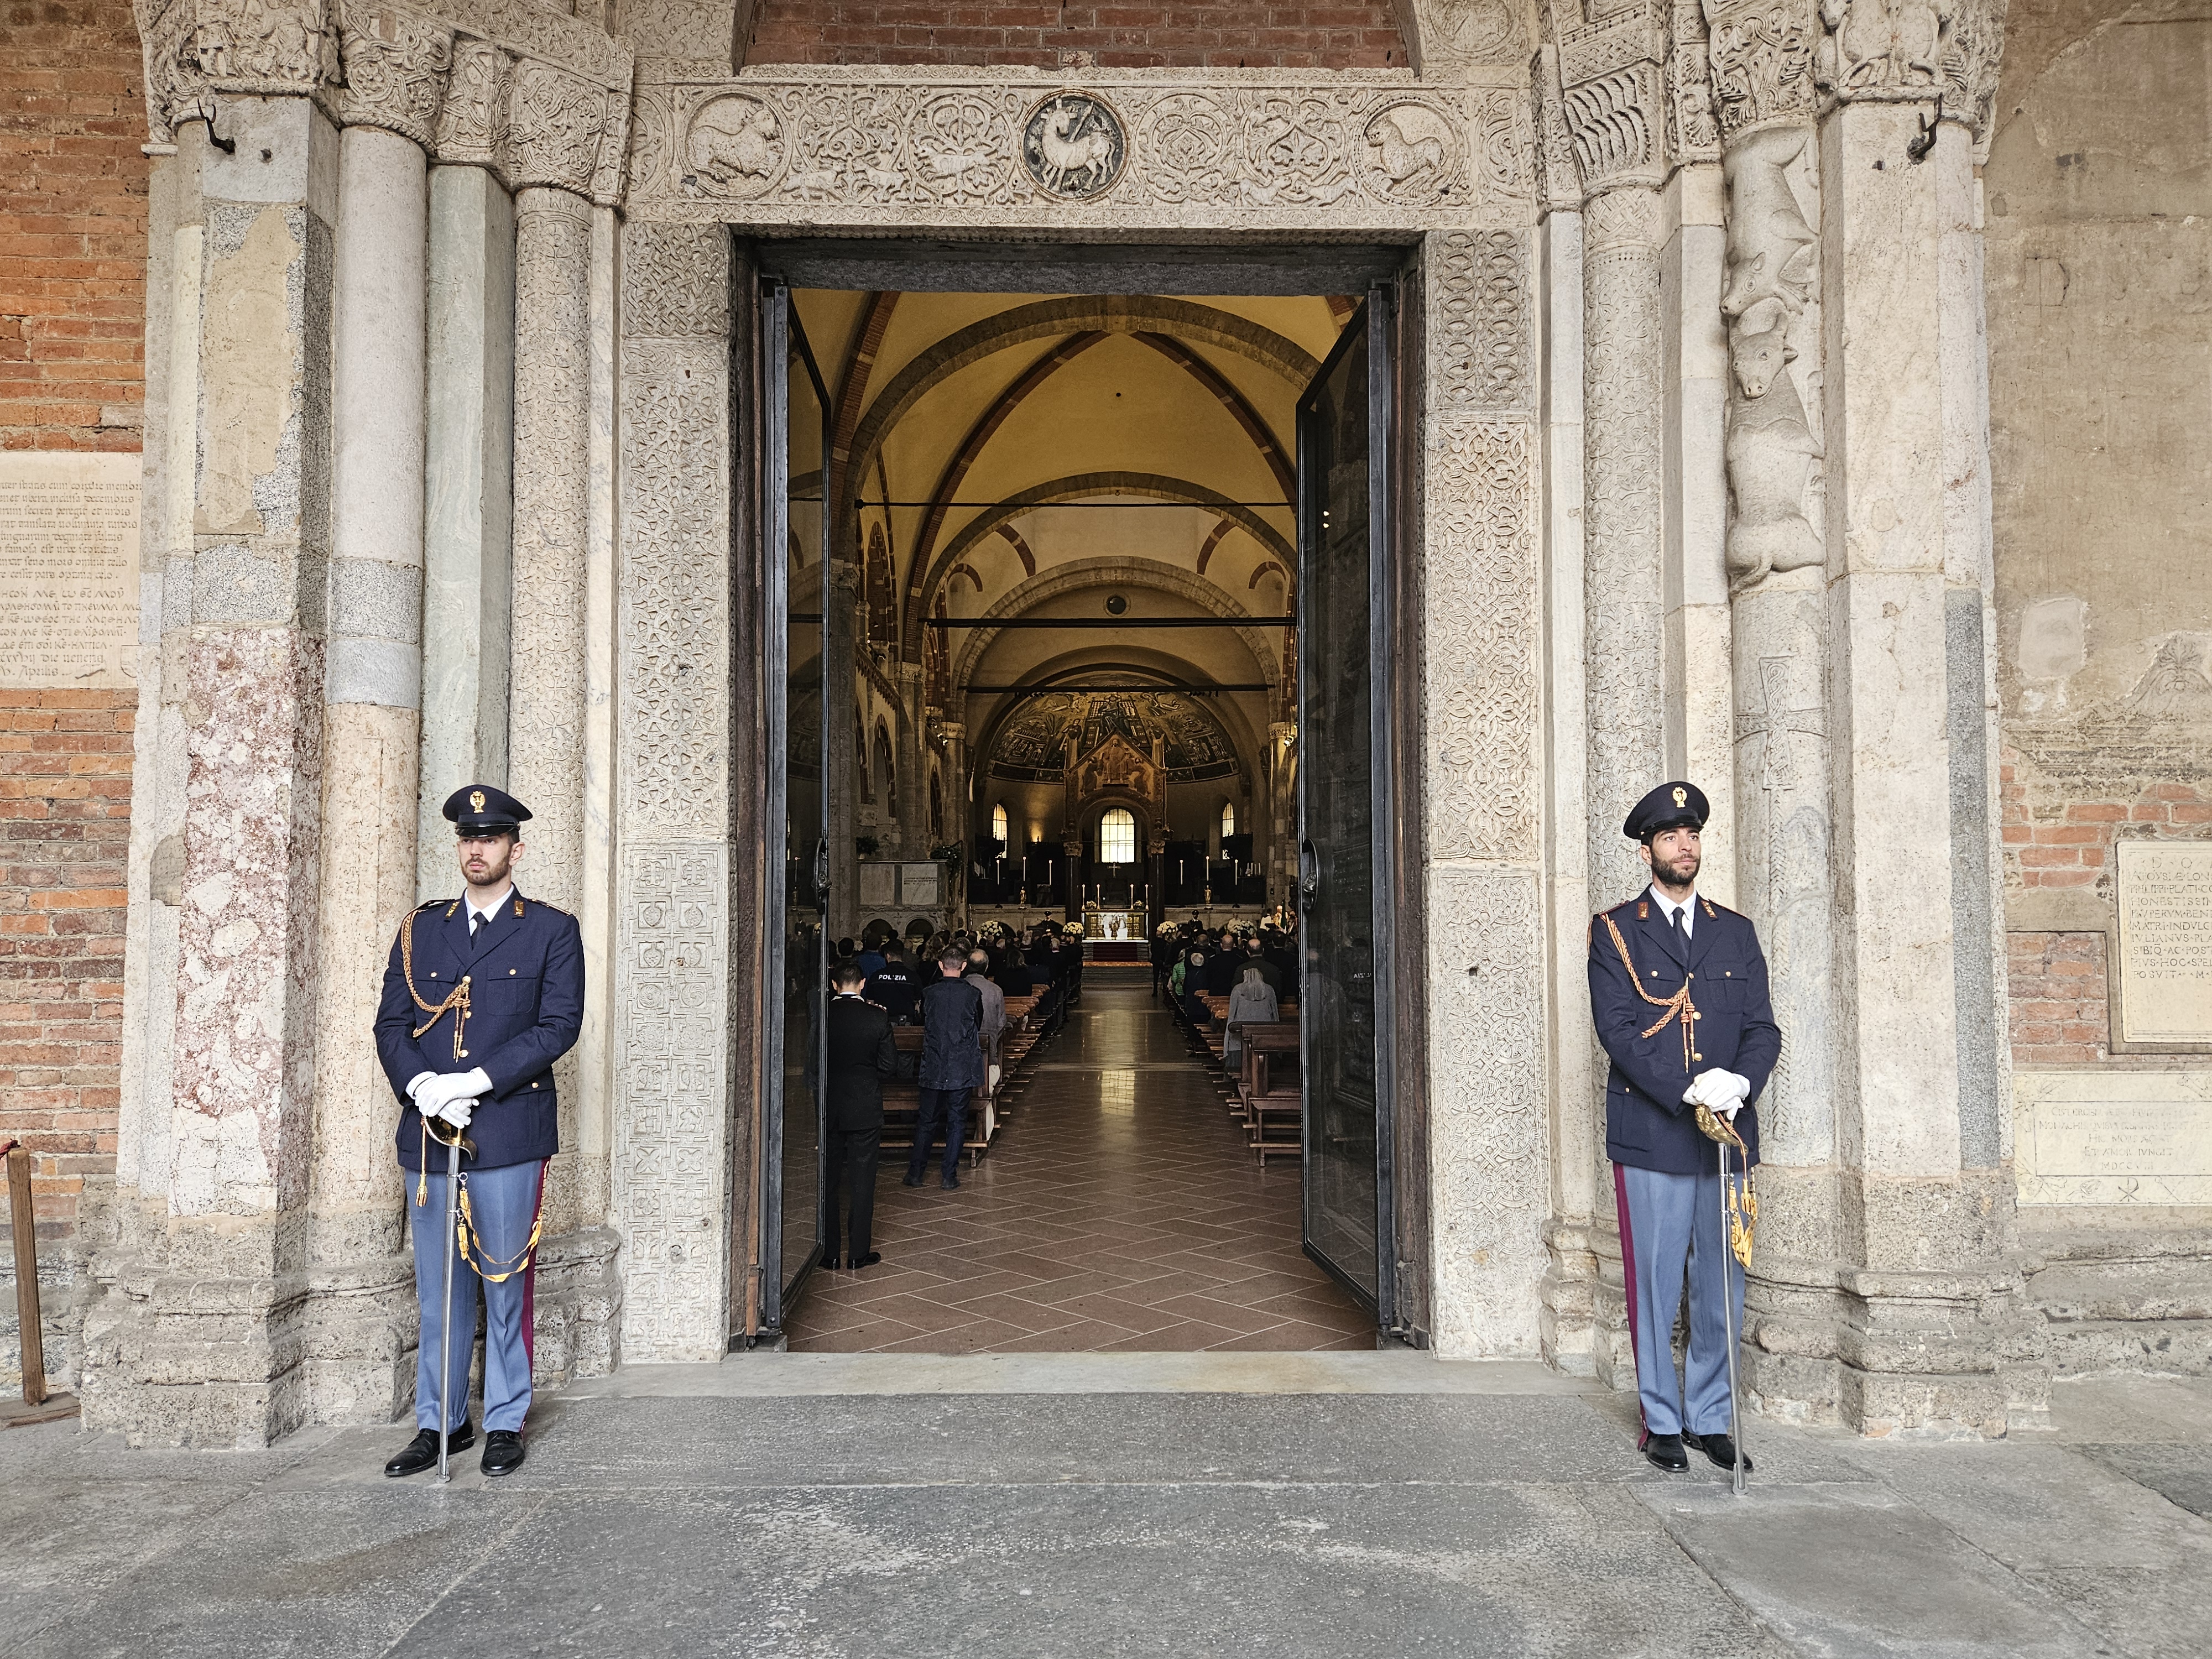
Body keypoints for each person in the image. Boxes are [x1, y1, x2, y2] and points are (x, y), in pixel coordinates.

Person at [374, 784, 582, 1480]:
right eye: (467, 839)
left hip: (509, 1127)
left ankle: (503, 1418)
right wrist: (423, 1086)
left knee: (502, 1280)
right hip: (432, 1134)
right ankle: (440, 1423)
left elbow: (558, 1026)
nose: (476, 849)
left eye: (489, 839)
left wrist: (474, 1081)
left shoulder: (551, 930)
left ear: (514, 849)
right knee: (438, 1288)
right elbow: (391, 1026)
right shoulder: (419, 929)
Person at [1589, 780, 1781, 1476]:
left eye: (1692, 835)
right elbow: (1617, 1030)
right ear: (1648, 850)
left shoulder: (1736, 931)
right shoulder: (1616, 930)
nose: (1684, 847)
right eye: (1670, 837)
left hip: (1726, 1136)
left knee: (1722, 1284)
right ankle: (1661, 1421)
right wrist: (1686, 1088)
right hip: (1654, 1130)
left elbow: (1761, 1027)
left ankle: (1710, 1417)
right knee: (1656, 1280)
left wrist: (1741, 1082)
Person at [823, 959, 900, 1270]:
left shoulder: (824, 1015)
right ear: (863, 984)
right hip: (865, 1106)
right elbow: (889, 1066)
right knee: (862, 1180)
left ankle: (828, 1254)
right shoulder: (876, 1018)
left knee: (827, 1180)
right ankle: (857, 1253)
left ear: (834, 986)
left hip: (829, 1107)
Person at [909, 947, 984, 1189]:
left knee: (927, 1121)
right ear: (963, 967)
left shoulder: (929, 993)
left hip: (934, 1063)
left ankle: (916, 1173)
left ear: (941, 966)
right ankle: (949, 1176)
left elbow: (922, 1020)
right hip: (961, 1066)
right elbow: (977, 1023)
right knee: (957, 1122)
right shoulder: (973, 994)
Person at [1223, 962, 1279, 1068]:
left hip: (1240, 1036)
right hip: (1264, 1035)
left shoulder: (1237, 990)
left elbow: (1232, 1015)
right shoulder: (1269, 990)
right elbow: (1275, 1014)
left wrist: (1226, 1046)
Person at [965, 948, 1007, 1084]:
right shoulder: (995, 990)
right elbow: (1001, 1023)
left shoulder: (960, 988)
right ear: (987, 967)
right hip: (988, 1055)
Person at [869, 939, 919, 1024]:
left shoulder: (876, 977)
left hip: (882, 1023)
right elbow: (918, 1003)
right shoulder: (912, 976)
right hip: (906, 1024)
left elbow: (870, 1003)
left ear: (888, 956)